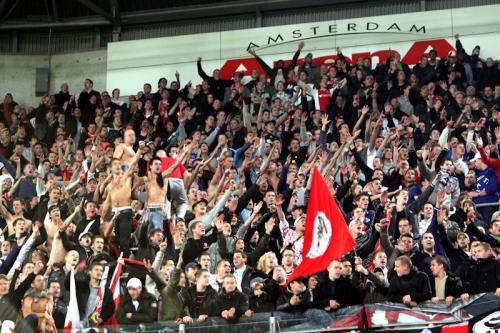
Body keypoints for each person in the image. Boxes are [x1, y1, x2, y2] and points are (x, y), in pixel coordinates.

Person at [106, 141, 144, 257]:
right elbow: (107, 202)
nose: (118, 166)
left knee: (124, 243)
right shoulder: (109, 184)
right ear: (110, 169)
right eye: (115, 164)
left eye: (119, 164)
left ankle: (125, 266)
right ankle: (117, 265)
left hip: (126, 211)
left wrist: (140, 150)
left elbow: (132, 164)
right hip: (114, 214)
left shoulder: (126, 176)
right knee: (115, 242)